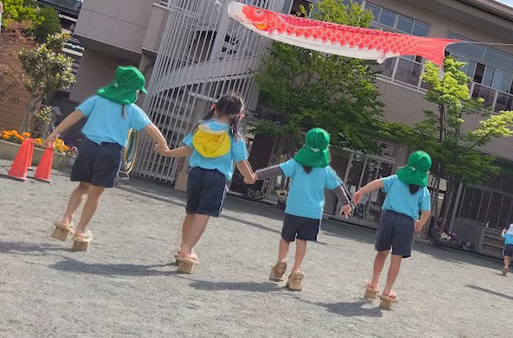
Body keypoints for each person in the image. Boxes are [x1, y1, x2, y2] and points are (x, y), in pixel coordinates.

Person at [46, 66, 169, 250]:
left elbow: (75, 114)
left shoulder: (97, 99)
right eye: (138, 91)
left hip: (89, 147)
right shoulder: (131, 109)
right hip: (110, 152)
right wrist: (163, 144)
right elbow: (150, 127)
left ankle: (66, 219)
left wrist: (55, 132)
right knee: (96, 193)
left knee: (82, 187)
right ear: (132, 91)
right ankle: (81, 231)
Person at [156, 94, 257, 271]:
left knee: (191, 211)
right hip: (216, 178)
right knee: (203, 214)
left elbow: (187, 149)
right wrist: (249, 177)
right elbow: (241, 162)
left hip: (195, 174)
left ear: (215, 109)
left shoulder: (201, 128)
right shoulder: (234, 136)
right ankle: (188, 250)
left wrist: (167, 152)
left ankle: (184, 246)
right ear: (238, 115)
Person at [253, 128, 351, 290]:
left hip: (293, 209)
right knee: (302, 241)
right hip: (313, 213)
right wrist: (346, 204)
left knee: (286, 238)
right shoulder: (326, 170)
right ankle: (295, 271)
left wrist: (256, 175)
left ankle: (280, 263)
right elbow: (337, 187)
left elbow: (277, 170)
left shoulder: (295, 164)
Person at [354, 151, 432, 308]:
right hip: (407, 223)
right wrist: (420, 223)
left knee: (382, 252)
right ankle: (387, 290)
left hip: (388, 217)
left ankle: (373, 283)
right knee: (396, 258)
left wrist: (360, 192)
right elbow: (426, 212)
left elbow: (377, 183)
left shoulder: (396, 179)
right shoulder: (423, 190)